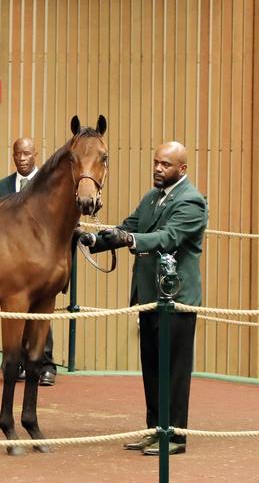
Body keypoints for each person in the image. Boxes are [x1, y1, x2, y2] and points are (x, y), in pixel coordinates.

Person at [82, 141, 207, 457]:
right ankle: (155, 431)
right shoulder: (152, 198)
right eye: (156, 162)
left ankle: (175, 436)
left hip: (176, 299)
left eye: (165, 164)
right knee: (151, 368)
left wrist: (131, 239)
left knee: (174, 370)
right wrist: (93, 238)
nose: (158, 168)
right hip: (149, 296)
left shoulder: (192, 201)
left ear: (182, 169)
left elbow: (169, 238)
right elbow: (128, 227)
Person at [0, 137, 58, 386]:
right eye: (17, 154)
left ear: (36, 155)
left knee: (42, 314)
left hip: (40, 261)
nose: (21, 158)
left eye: (26, 154)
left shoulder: (49, 185)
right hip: (11, 261)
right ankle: (17, 363)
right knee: (16, 314)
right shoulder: (2, 186)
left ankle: (47, 364)